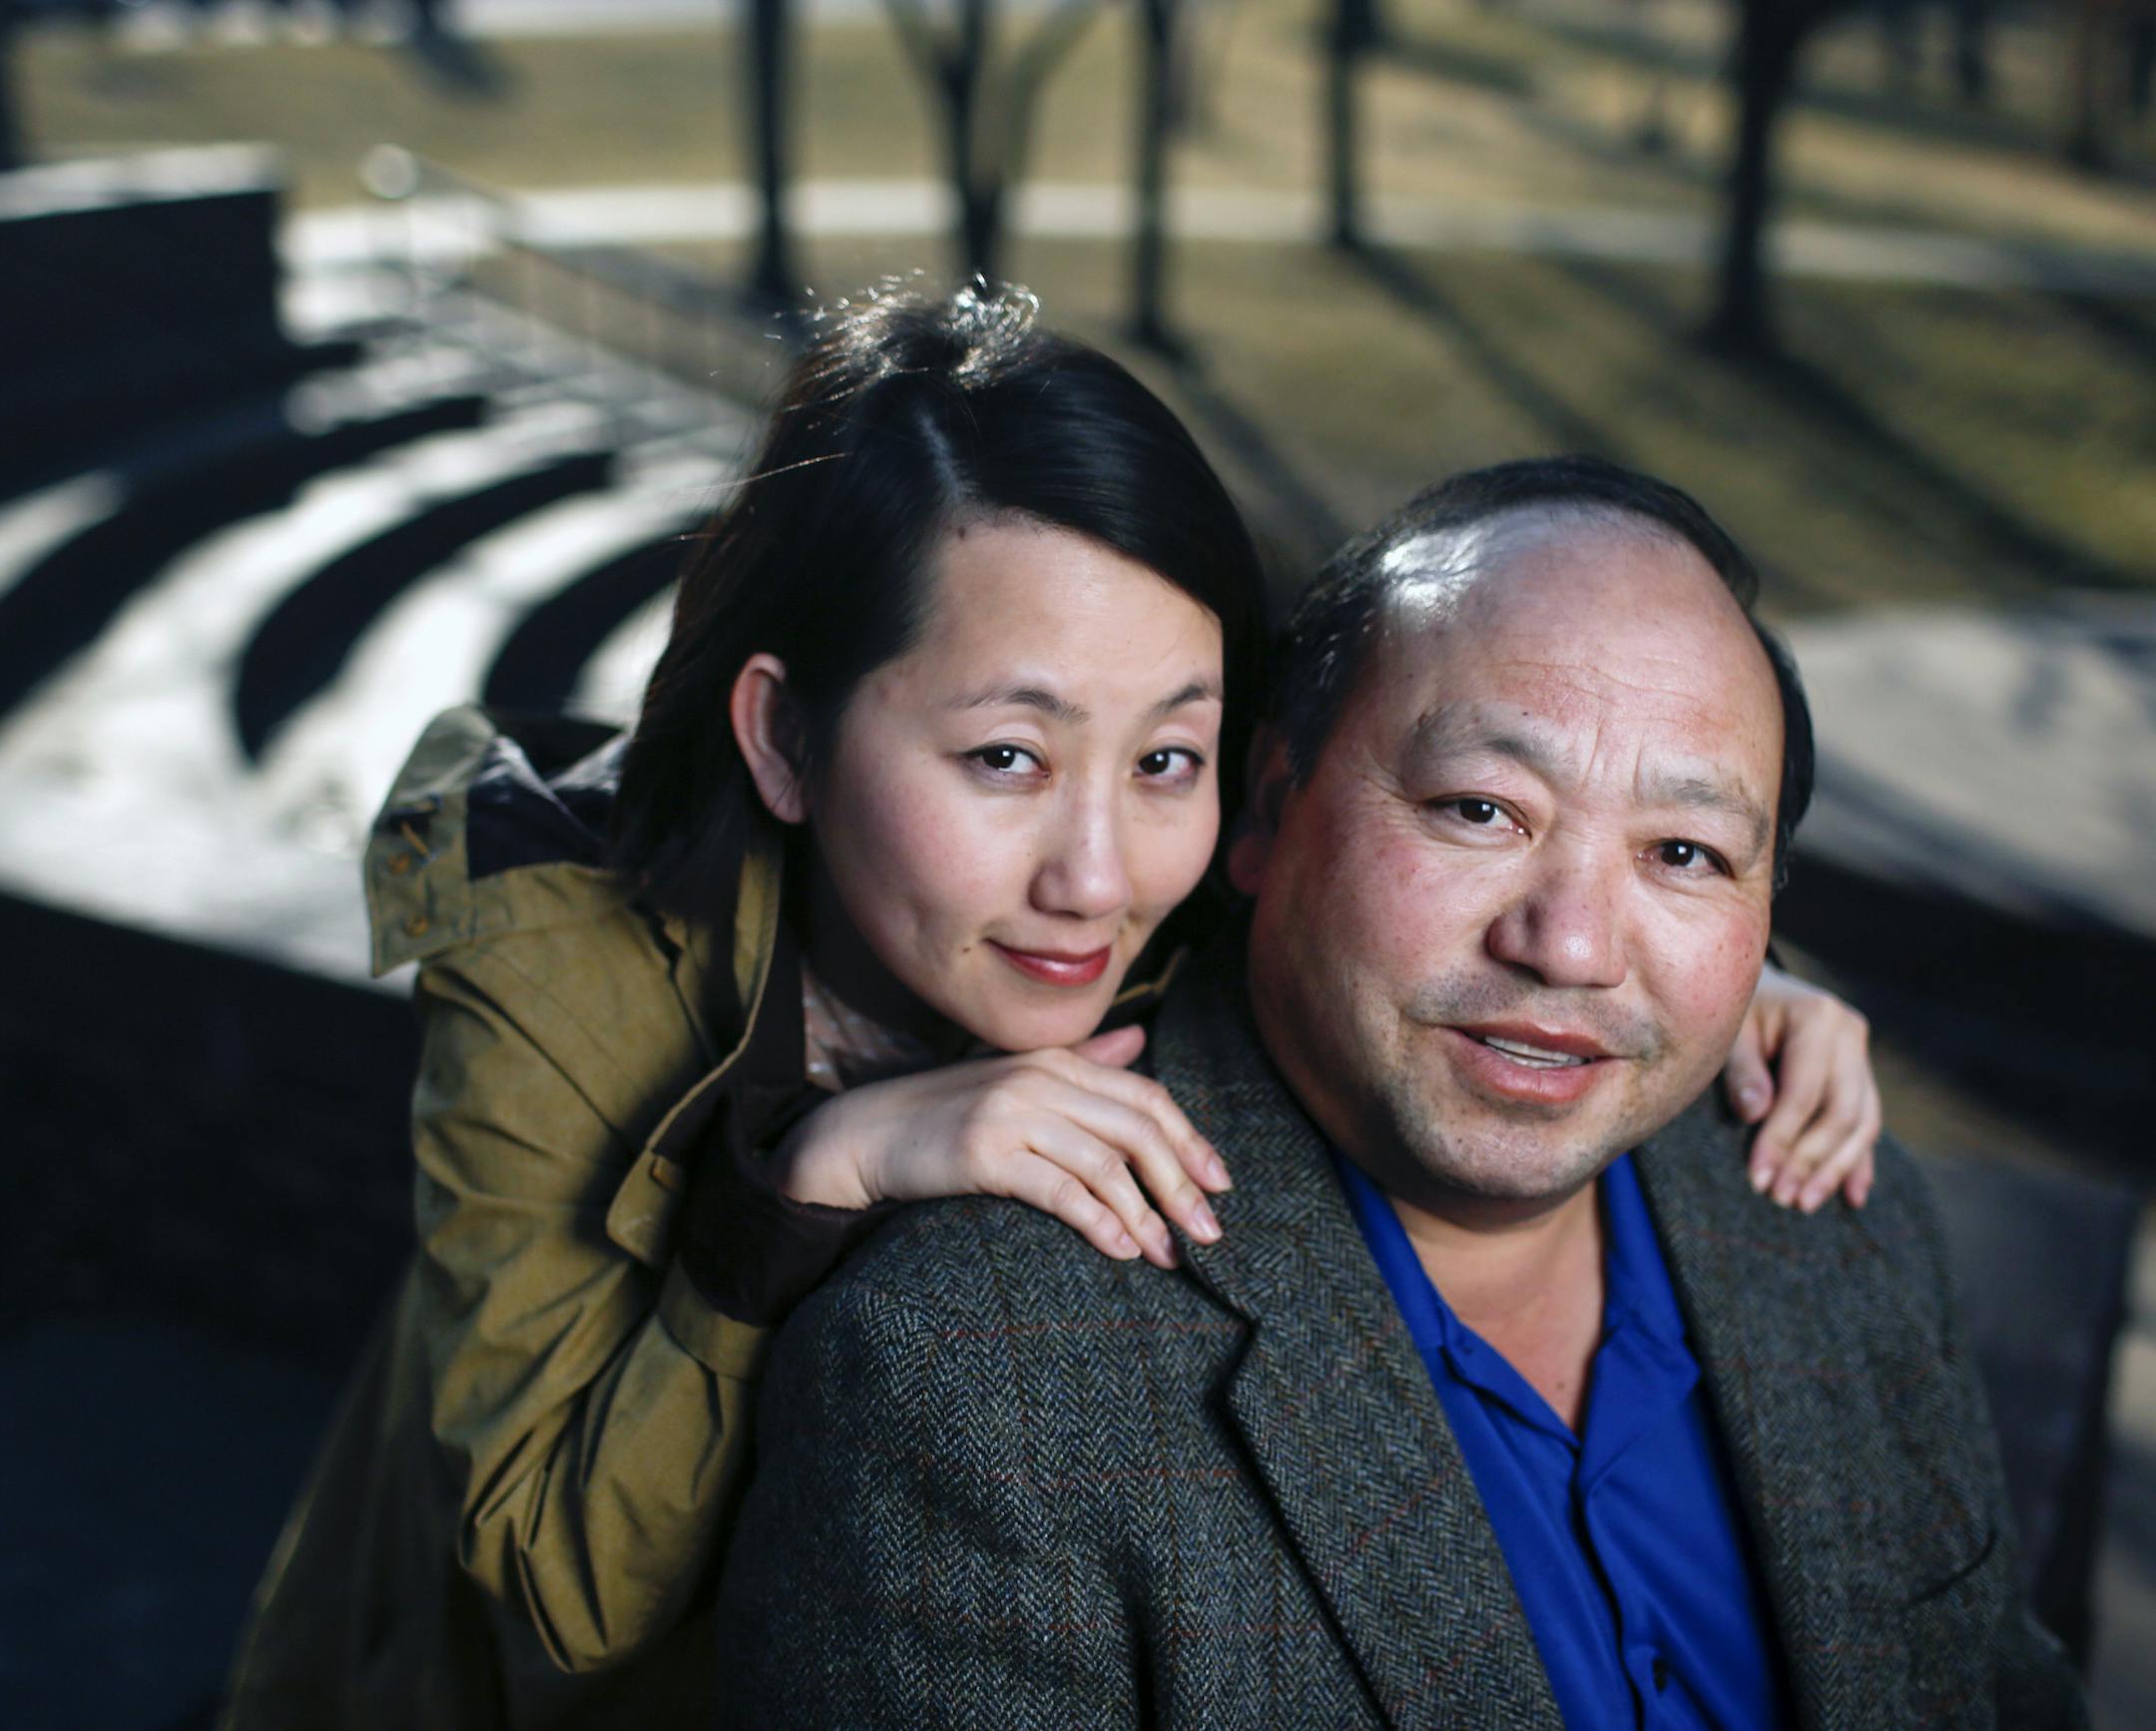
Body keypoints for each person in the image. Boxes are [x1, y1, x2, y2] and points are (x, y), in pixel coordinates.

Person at [220, 290, 1881, 1729]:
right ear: (786, 738)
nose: (1098, 872)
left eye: (1167, 755)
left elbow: (1416, 886)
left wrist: (1708, 989)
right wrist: (814, 1181)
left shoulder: (1180, 884)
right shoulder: (555, 951)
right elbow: (571, 1581)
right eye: (1005, 756)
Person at [711, 457, 2087, 1728]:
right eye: (1480, 809)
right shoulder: (967, 1381)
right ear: (1263, 809)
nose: (1573, 944)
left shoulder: (1838, 1215)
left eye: (1683, 850)